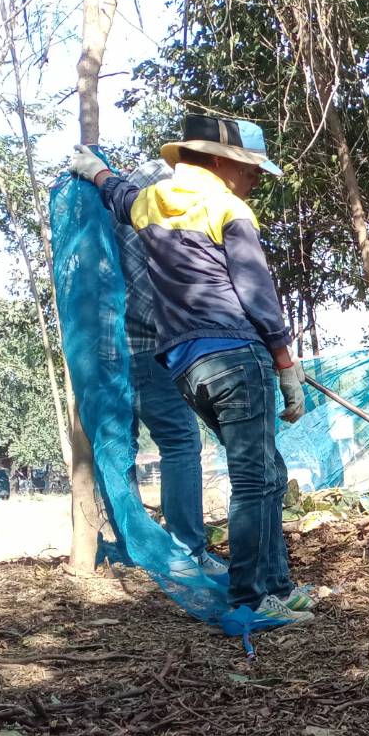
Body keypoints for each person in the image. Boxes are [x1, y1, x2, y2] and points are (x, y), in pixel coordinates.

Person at [68, 114, 315, 625]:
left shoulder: (152, 203)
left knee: (266, 472)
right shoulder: (229, 206)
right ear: (224, 163)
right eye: (251, 170)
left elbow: (115, 193)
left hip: (186, 366)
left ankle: (278, 586)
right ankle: (251, 598)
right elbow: (256, 292)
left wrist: (94, 172)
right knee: (254, 479)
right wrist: (285, 363)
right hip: (237, 355)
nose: (255, 181)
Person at [111, 155, 223, 578]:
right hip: (149, 348)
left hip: (123, 350)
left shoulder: (123, 216)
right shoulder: (156, 218)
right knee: (180, 441)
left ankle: (134, 542)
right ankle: (186, 551)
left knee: (124, 447)